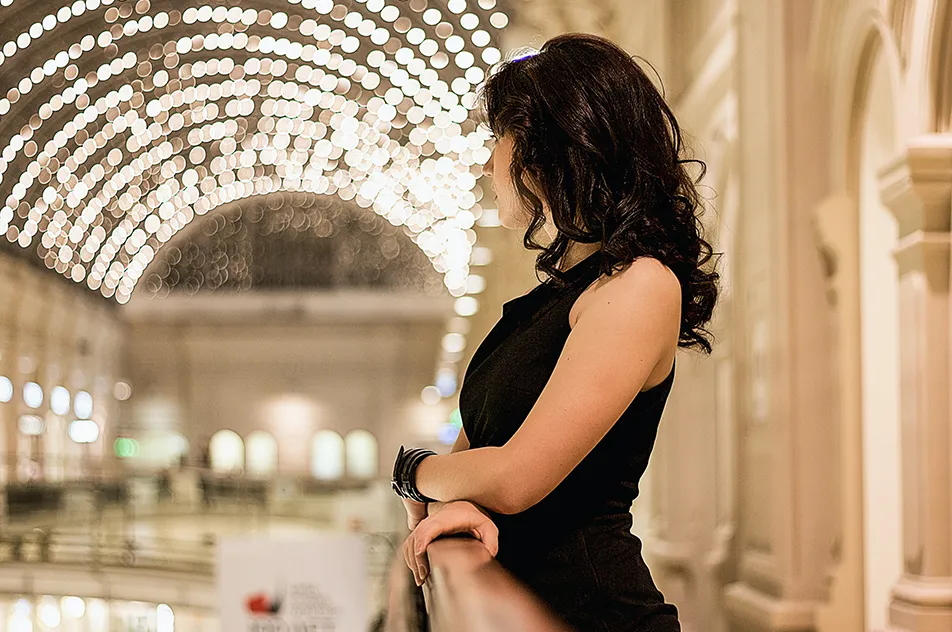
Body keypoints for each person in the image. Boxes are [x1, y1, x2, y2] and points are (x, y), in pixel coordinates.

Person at [391, 33, 718, 632]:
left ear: (553, 148)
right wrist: (453, 486)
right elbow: (477, 455)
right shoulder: (557, 298)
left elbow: (514, 478)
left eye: (499, 138)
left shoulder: (640, 283)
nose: (488, 161)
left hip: (594, 616)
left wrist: (411, 471)